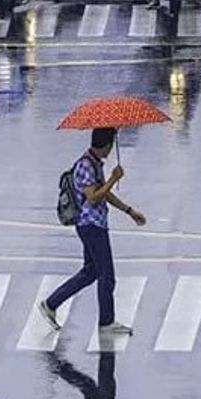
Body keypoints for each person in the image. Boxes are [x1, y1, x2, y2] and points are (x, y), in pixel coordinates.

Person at [40, 128, 146, 335]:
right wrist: (114, 179)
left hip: (94, 224)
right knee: (107, 275)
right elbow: (94, 197)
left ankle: (51, 304)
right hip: (91, 225)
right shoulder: (85, 166)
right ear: (106, 145)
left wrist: (129, 211)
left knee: (91, 272)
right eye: (111, 143)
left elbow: (104, 194)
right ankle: (106, 322)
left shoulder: (95, 163)